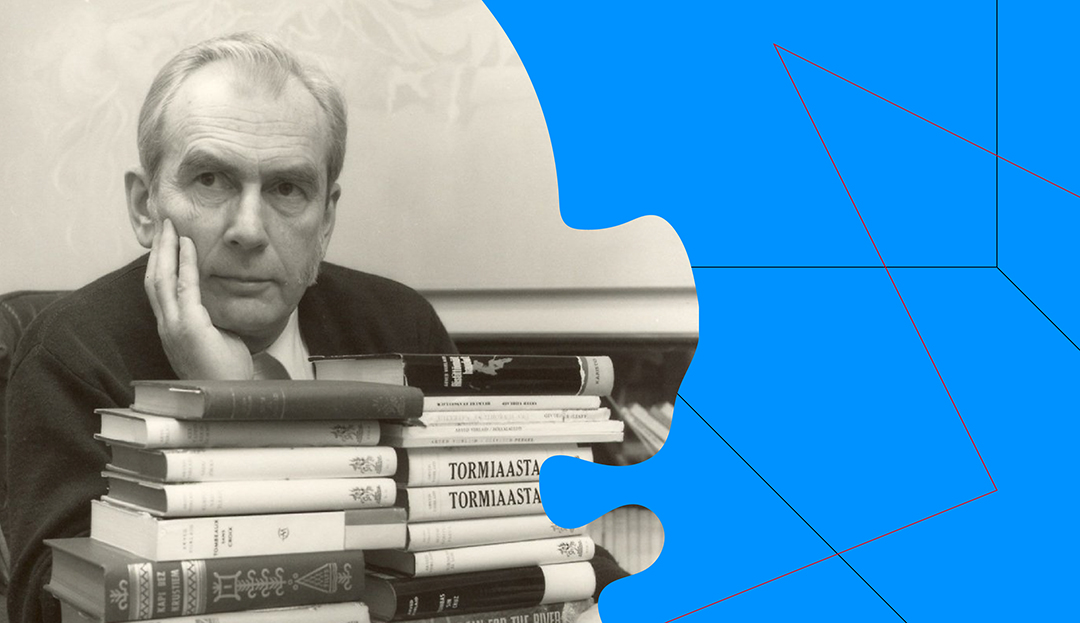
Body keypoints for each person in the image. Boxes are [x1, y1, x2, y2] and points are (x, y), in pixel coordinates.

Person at [3, 33, 623, 623]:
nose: (249, 229)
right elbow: (50, 606)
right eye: (211, 180)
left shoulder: (398, 329)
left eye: (286, 188)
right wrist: (225, 413)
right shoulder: (72, 354)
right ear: (145, 206)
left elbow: (524, 539)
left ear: (325, 220)